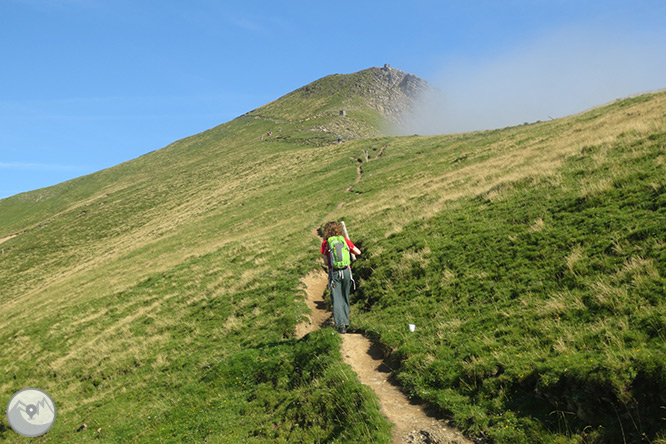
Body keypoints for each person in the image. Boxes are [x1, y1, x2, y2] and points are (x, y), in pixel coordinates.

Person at [321, 221, 361, 333]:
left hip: (334, 273)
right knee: (345, 297)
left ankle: (341, 325)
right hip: (347, 272)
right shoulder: (344, 240)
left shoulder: (326, 243)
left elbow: (325, 261)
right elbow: (358, 252)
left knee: (337, 299)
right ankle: (346, 322)